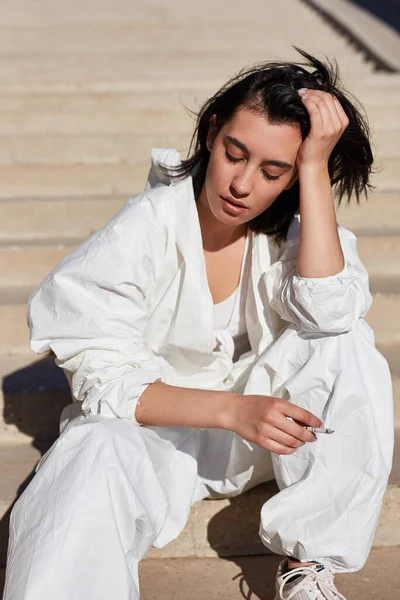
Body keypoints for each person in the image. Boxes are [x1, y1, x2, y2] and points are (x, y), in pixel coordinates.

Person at [3, 47, 394, 600]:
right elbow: (104, 384)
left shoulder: (294, 234)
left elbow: (330, 312)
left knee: (344, 338)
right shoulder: (148, 226)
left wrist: (313, 170)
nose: (242, 185)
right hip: (162, 440)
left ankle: (307, 566)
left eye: (273, 170)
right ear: (212, 133)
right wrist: (232, 410)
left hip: (274, 437)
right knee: (89, 450)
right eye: (235, 154)